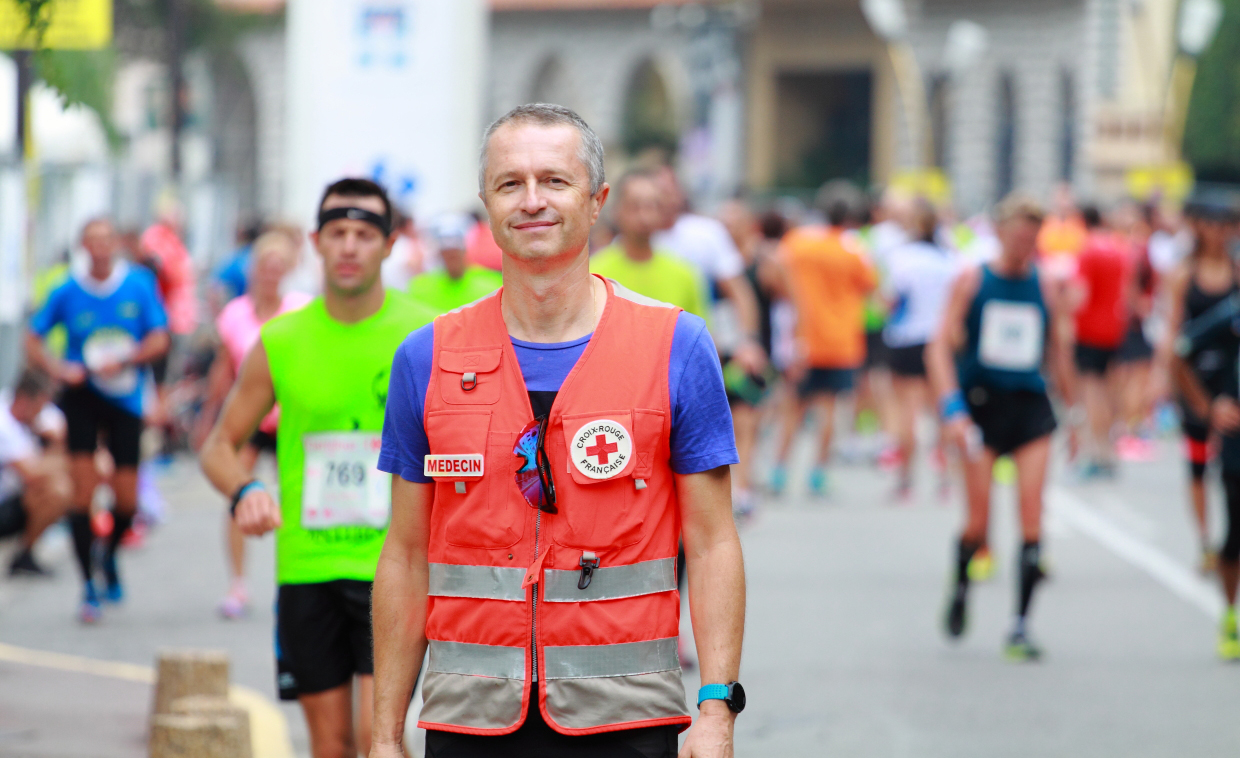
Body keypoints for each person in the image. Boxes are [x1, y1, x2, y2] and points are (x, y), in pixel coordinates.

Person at [371, 103, 746, 758]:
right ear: (486, 203)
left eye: (555, 180)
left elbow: (712, 542)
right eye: (509, 183)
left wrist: (716, 708)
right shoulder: (426, 358)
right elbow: (405, 556)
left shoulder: (675, 346)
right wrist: (382, 734)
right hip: (471, 718)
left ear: (597, 199)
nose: (531, 201)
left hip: (626, 716)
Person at [200, 177, 435, 758]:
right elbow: (218, 445)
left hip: (396, 564)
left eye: (364, 234)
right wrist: (246, 488)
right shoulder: (281, 340)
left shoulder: (429, 334)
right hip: (306, 569)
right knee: (329, 746)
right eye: (337, 234)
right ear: (316, 242)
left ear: (389, 244)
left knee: (376, 739)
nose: (350, 247)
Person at [927, 194, 1077, 661]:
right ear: (999, 233)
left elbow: (1059, 352)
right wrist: (951, 410)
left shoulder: (1047, 283)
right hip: (980, 407)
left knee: (1032, 518)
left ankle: (1020, 626)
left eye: (1032, 237)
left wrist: (1075, 415)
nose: (1023, 245)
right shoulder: (972, 280)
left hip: (1030, 408)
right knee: (978, 522)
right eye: (1016, 235)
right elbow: (938, 348)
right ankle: (961, 586)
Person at [26, 217, 170, 623]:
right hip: (82, 396)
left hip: (125, 397)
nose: (101, 249)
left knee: (126, 498)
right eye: (93, 242)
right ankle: (88, 584)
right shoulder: (67, 290)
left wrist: (127, 358)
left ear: (116, 245)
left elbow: (160, 338)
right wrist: (57, 369)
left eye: (108, 240)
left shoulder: (138, 284)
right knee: (83, 492)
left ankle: (108, 555)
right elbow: (32, 338)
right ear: (83, 247)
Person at [207, 232, 312, 619]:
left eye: (278, 267)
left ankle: (296, 577)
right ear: (254, 270)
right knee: (240, 495)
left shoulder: (301, 309)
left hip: (289, 419)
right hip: (250, 418)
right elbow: (223, 370)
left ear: (286, 271)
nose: (270, 273)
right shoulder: (234, 314)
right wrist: (210, 418)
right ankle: (237, 583)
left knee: (297, 498)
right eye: (264, 266)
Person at [1170, 193, 1240, 659]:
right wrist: (1194, 399)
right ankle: (1203, 541)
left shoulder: (1236, 276)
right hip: (1201, 388)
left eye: (1227, 225)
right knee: (1199, 468)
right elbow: (1176, 341)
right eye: (1213, 224)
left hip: (1232, 387)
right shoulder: (1183, 276)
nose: (1219, 232)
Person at [771, 194, 878, 496]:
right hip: (842, 340)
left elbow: (776, 270)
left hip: (804, 337)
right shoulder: (854, 249)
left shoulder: (798, 242)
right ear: (849, 219)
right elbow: (871, 285)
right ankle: (817, 474)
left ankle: (779, 471)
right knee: (829, 408)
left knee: (793, 407)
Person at [652, 165, 766, 376]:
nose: (664, 198)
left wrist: (748, 341)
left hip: (702, 349)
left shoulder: (706, 233)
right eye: (658, 191)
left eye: (669, 190)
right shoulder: (631, 244)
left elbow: (739, 292)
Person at [882, 199, 959, 500]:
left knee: (907, 412)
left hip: (906, 339)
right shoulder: (948, 258)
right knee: (941, 410)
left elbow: (890, 299)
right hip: (938, 339)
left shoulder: (901, 258)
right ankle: (944, 480)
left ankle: (905, 482)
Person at [589, 169, 710, 320]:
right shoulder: (593, 274)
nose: (644, 216)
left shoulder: (686, 275)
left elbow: (697, 338)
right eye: (635, 206)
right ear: (616, 210)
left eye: (651, 206)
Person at [1071, 206, 1133, 477]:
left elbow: (1079, 295)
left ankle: (1097, 452)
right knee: (1108, 392)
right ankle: (1108, 449)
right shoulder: (1119, 249)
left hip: (1089, 330)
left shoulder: (1086, 250)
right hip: (1114, 328)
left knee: (1092, 392)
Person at [0, 368, 72, 577]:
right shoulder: (4, 423)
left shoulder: (34, 416)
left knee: (63, 478)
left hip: (16, 496)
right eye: (39, 406)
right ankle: (25, 553)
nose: (42, 413)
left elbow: (66, 435)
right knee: (58, 490)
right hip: (5, 503)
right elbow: (30, 474)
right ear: (24, 400)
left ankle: (26, 553)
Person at [406, 213, 503, 314]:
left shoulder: (493, 283)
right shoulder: (419, 287)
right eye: (447, 253)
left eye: (455, 252)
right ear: (439, 253)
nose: (451, 257)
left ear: (465, 249)